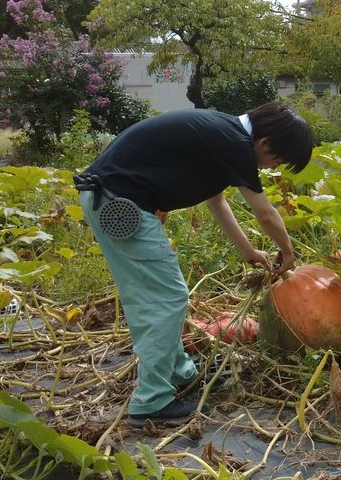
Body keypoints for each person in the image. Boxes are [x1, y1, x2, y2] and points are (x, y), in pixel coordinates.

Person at [75, 102, 313, 425]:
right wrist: (287, 249)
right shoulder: (235, 143)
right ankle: (151, 401)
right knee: (167, 298)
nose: (272, 168)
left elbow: (216, 201)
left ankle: (179, 371)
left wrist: (248, 252)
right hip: (119, 202)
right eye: (278, 160)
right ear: (264, 143)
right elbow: (266, 213)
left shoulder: (224, 134)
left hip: (113, 198)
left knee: (161, 296)